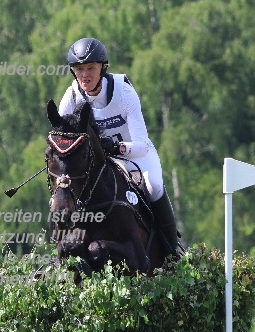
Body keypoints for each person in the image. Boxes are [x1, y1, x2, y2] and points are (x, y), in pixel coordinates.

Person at [57, 36, 184, 257]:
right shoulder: (71, 97)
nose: (85, 75)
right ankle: (60, 253)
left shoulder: (123, 92)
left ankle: (172, 251)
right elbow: (62, 139)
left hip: (134, 155)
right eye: (79, 69)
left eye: (91, 68)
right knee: (68, 190)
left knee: (153, 185)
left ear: (102, 68)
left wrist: (115, 147)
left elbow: (142, 145)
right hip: (96, 161)